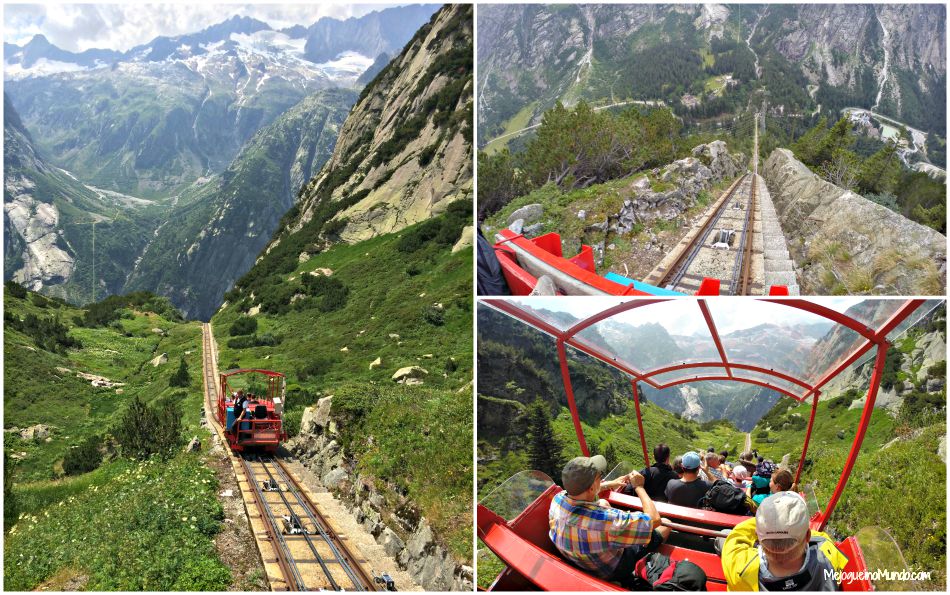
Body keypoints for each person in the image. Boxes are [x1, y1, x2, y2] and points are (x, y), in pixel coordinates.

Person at [549, 455, 670, 585]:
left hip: (583, 562)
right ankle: (643, 564)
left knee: (602, 502)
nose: (601, 478)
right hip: (612, 569)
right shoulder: (605, 521)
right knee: (666, 524)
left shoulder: (558, 499)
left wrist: (610, 484)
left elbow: (584, 493)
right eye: (599, 477)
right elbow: (654, 520)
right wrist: (639, 487)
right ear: (591, 488)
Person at [722, 491, 848, 590]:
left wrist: (768, 521)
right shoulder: (828, 552)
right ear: (807, 536)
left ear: (758, 535)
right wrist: (789, 528)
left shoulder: (740, 565)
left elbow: (737, 535)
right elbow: (820, 536)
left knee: (724, 534)